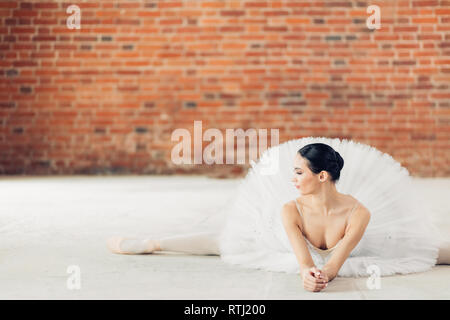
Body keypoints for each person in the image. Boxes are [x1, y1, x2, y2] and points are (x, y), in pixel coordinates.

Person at [107, 137, 444, 292]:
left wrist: (324, 275)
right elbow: (303, 261)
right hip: (285, 242)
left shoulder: (360, 212)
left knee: (426, 248)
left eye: (299, 172)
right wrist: (307, 275)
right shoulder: (288, 208)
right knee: (222, 242)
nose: (292, 178)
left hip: (362, 246)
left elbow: (335, 262)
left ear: (322, 176)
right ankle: (154, 242)